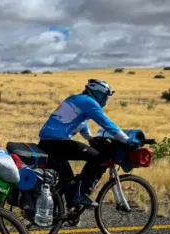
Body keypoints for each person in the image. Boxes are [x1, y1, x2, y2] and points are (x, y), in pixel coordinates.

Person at [38, 79, 140, 208]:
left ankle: (64, 210)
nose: (105, 100)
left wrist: (90, 138)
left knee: (67, 179)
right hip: (58, 142)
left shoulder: (76, 99)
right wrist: (127, 140)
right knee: (99, 158)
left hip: (47, 143)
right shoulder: (89, 102)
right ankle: (81, 195)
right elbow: (106, 123)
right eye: (106, 96)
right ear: (100, 93)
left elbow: (80, 122)